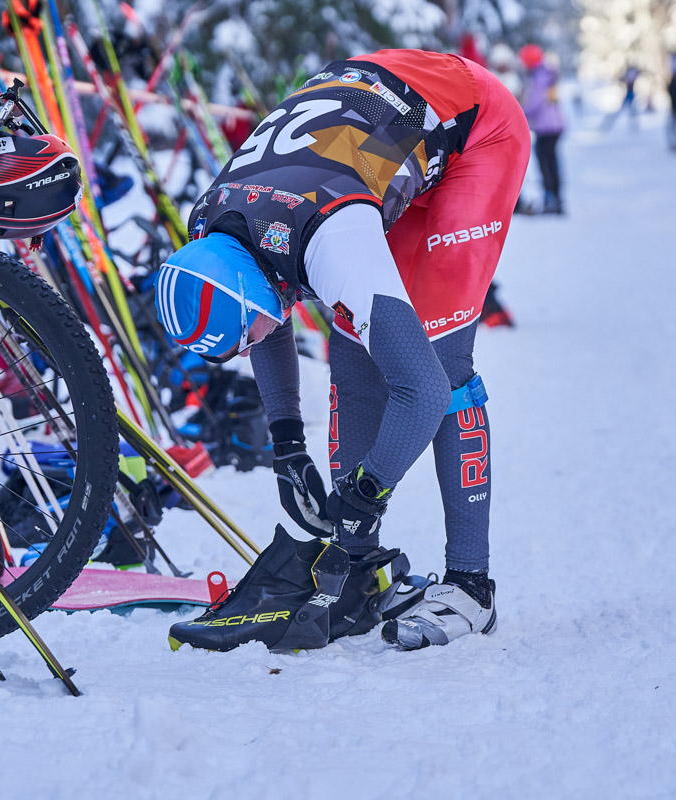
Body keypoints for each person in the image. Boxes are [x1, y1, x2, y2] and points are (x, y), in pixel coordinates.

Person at [157, 49, 530, 652]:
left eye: (247, 333)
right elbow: (266, 314)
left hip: (475, 128)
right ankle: (359, 568)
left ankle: (471, 587)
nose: (259, 340)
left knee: (439, 364)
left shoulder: (335, 241)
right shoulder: (211, 226)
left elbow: (423, 392)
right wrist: (285, 446)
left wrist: (365, 493)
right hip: (373, 126)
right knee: (353, 348)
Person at [519, 44, 566, 213]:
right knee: (551, 161)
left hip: (546, 126)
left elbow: (535, 102)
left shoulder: (539, 76)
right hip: (555, 124)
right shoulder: (547, 73)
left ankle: (550, 199)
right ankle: (556, 199)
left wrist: (518, 111)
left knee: (545, 162)